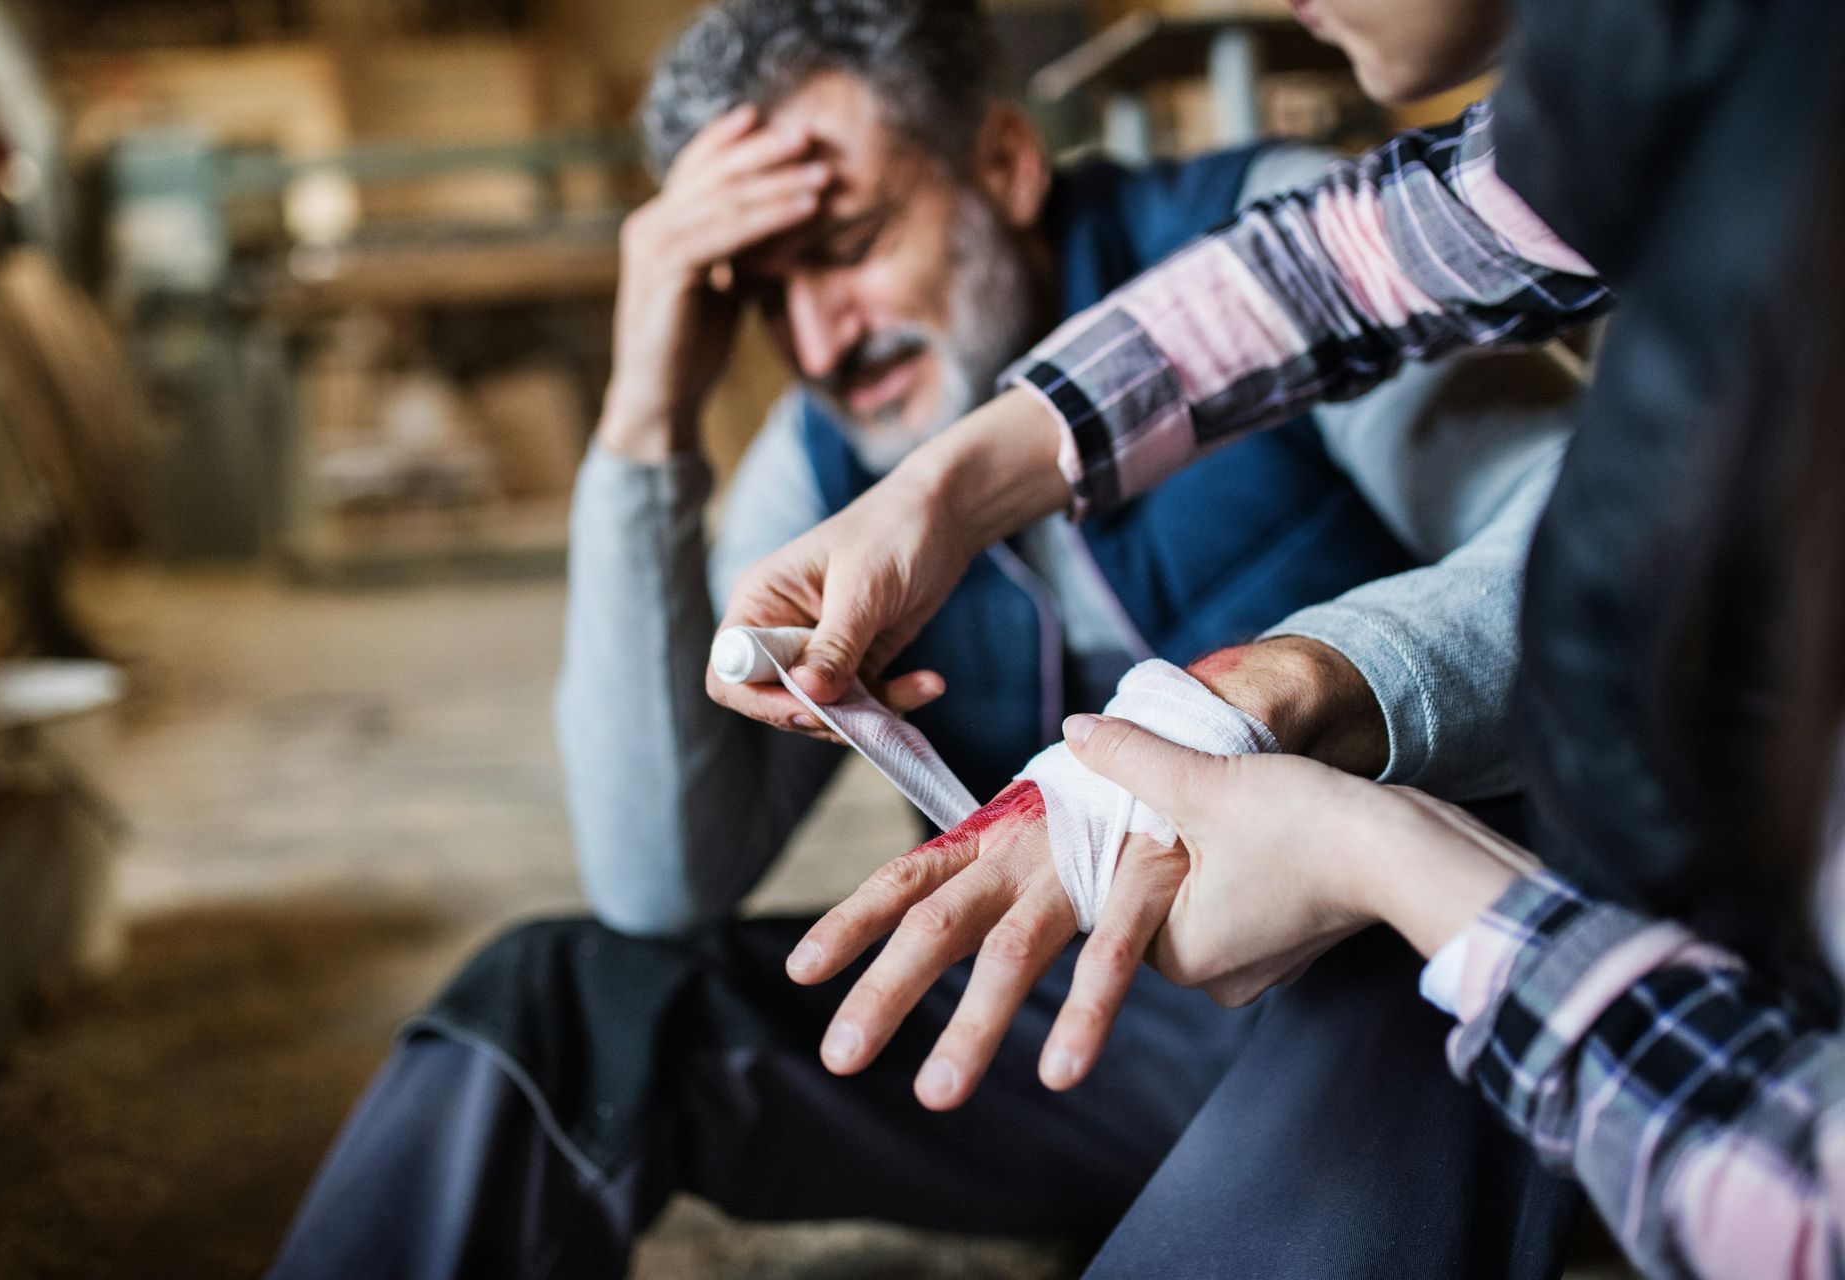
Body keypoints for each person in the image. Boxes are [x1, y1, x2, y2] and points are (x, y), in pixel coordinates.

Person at [268, 2, 1588, 1276]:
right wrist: (641, 425)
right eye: (761, 291)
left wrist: (1274, 692)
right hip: (1072, 1056)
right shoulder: (828, 457)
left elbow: (1605, 562)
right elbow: (658, 881)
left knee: (1405, 951)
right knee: (561, 1000)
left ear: (1006, 165)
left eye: (843, 243)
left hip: (1367, 1019)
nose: (817, 338)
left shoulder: (1273, 250)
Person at [1023, 118, 1845, 1275]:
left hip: (1398, 956)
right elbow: (1355, 266)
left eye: (848, 237)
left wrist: (1347, 796)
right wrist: (950, 473)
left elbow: (1781, 1196)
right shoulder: (1700, 114)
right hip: (1139, 998)